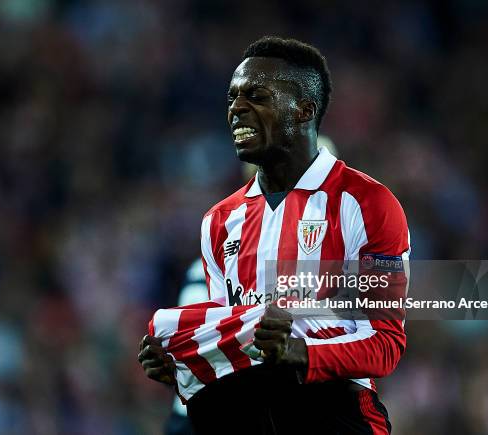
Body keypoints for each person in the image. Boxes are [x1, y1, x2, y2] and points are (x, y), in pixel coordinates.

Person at [139, 36, 410, 434]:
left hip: (333, 413)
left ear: (303, 111)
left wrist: (299, 352)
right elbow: (226, 340)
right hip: (245, 417)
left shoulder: (367, 203)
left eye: (257, 96)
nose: (236, 109)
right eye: (232, 97)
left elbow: (385, 345)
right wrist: (179, 363)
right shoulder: (219, 221)